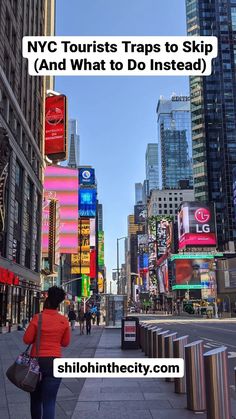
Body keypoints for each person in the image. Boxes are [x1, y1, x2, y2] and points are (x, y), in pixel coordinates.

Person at [23, 286, 70, 419]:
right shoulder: (63, 321)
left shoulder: (38, 318)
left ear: (47, 300)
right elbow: (65, 343)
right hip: (55, 362)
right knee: (50, 402)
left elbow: (26, 340)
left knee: (36, 399)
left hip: (36, 361)